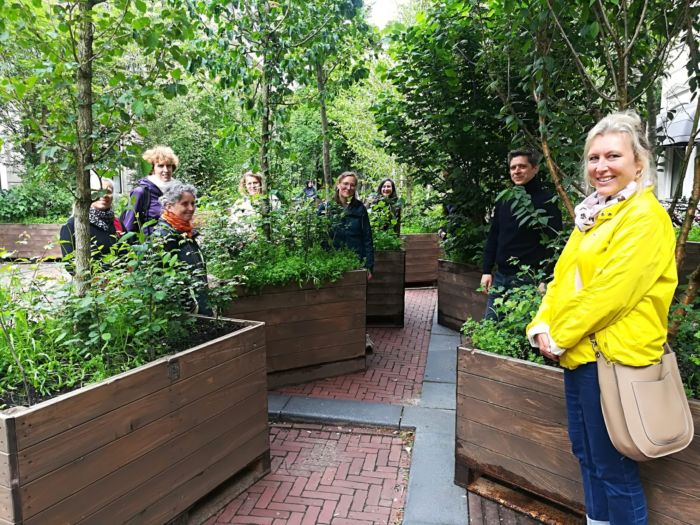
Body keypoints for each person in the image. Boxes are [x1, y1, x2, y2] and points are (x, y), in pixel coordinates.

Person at [527, 111, 677, 525]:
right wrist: (542, 327)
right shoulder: (593, 215)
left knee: (614, 468)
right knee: (587, 456)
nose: (601, 166)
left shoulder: (645, 218)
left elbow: (610, 295)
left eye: (613, 156)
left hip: (616, 360)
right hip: (581, 355)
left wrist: (558, 334)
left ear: (638, 163)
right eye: (593, 158)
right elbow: (562, 278)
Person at [481, 148, 562, 320]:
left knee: (523, 334)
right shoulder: (505, 199)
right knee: (489, 326)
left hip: (529, 279)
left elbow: (555, 243)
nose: (516, 171)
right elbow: (494, 236)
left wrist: (546, 279)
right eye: (513, 168)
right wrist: (486, 270)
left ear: (535, 168)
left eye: (522, 167)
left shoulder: (547, 201)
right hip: (501, 276)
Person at [153, 182, 212, 315]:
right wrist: (189, 306)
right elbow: (159, 279)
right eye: (185, 204)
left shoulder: (185, 232)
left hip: (197, 309)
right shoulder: (164, 236)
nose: (191, 208)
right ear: (169, 206)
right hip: (184, 314)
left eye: (193, 203)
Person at [60, 175, 124, 273]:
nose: (104, 195)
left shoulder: (117, 224)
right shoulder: (73, 225)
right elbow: (70, 265)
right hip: (92, 285)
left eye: (108, 192)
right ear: (89, 195)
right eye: (98, 191)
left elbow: (129, 253)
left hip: (121, 284)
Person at [319, 171, 374, 278]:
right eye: (345, 183)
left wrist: (369, 266)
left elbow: (367, 238)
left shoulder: (360, 208)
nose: (348, 188)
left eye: (352, 185)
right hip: (332, 262)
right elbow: (319, 236)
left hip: (356, 261)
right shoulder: (326, 208)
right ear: (338, 184)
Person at [121, 145, 179, 235]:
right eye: (160, 166)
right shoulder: (141, 192)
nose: (166, 170)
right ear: (152, 168)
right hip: (151, 246)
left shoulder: (178, 191)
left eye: (169, 166)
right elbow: (128, 227)